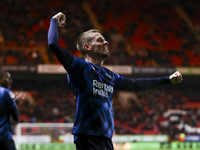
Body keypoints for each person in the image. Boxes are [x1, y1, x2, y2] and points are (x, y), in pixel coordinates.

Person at [48, 12, 183, 150]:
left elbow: (136, 85)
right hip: (88, 136)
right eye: (99, 40)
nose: (106, 42)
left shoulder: (109, 76)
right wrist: (54, 21)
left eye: (104, 40)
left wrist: (167, 80)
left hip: (105, 138)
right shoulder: (79, 67)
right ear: (87, 47)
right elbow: (53, 45)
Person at [0, 70, 25, 150]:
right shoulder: (6, 93)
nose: (11, 80)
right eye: (7, 78)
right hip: (3, 137)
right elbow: (15, 117)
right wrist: (15, 104)